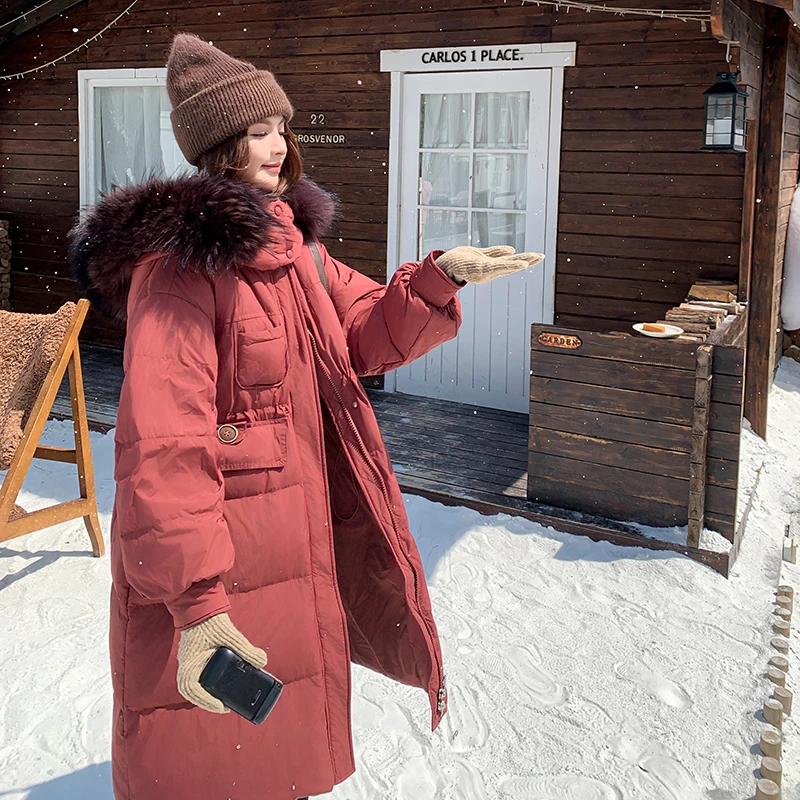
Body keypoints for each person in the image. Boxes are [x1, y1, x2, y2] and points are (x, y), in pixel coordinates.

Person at [69, 33, 543, 800]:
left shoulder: (296, 248)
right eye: (258, 130)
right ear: (218, 145)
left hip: (295, 537)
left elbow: (361, 332)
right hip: (227, 552)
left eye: (281, 127)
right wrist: (196, 605)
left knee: (278, 748)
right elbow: (163, 444)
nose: (278, 145)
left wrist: (434, 282)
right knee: (211, 757)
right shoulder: (179, 269)